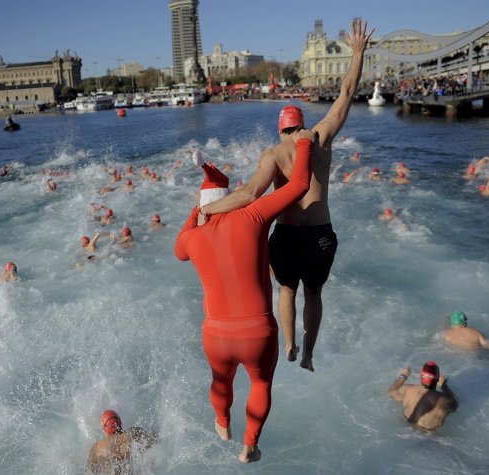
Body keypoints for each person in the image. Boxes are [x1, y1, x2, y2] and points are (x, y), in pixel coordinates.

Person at [199, 18, 374, 371]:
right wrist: (358, 53)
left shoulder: (274, 154)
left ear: (281, 130)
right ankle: (308, 353)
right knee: (315, 292)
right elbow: (346, 93)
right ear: (303, 124)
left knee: (287, 291)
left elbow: (250, 195)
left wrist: (211, 210)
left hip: (288, 236)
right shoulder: (321, 137)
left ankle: (290, 345)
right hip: (321, 235)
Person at [175, 129, 314, 463]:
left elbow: (179, 247)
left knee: (221, 381)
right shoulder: (252, 216)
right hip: (257, 332)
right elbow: (299, 186)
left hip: (216, 335)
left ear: (203, 205)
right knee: (261, 383)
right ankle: (250, 445)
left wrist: (198, 211)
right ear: (229, 197)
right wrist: (305, 142)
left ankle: (222, 423)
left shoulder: (192, 240)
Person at [388, 362, 458, 431]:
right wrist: (444, 385)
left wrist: (403, 376)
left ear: (421, 376)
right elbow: (456, 405)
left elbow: (391, 392)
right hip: (428, 435)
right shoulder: (443, 400)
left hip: (405, 428)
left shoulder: (407, 389)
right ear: (437, 379)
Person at [87, 409, 157, 475]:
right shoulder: (133, 433)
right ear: (120, 423)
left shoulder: (97, 447)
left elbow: (90, 471)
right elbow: (153, 442)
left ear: (104, 426)